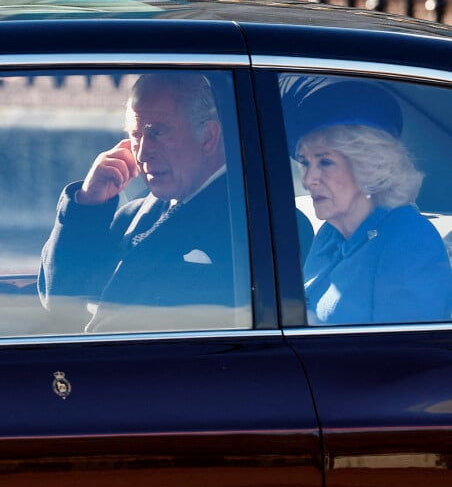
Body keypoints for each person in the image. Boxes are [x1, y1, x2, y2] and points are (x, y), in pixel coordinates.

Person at [38, 72, 247, 333]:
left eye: (158, 132)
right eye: (136, 135)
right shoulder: (132, 216)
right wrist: (89, 204)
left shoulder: (254, 222)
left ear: (208, 137)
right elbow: (61, 300)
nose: (142, 152)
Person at [286, 78, 452, 325]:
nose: (309, 179)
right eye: (305, 162)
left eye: (325, 162)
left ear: (369, 168)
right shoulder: (329, 234)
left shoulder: (409, 242)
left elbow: (407, 355)